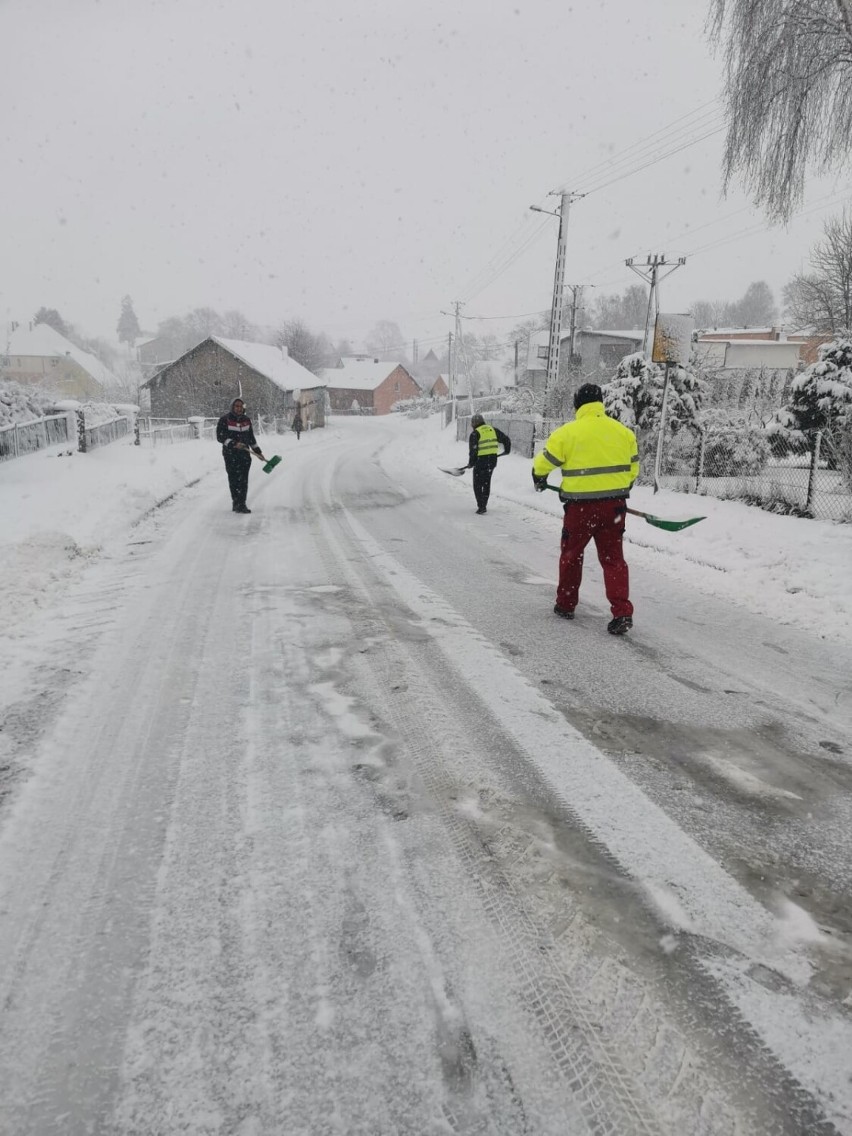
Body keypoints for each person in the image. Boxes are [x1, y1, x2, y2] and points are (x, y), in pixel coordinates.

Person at [532, 383, 639, 635]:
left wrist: (538, 476)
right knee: (613, 560)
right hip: (614, 507)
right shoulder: (623, 433)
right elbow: (633, 470)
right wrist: (615, 490)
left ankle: (566, 604)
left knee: (572, 555)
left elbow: (544, 463)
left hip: (579, 509)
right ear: (601, 402)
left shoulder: (567, 433)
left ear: (577, 404)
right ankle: (622, 611)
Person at [216, 397, 265, 514]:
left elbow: (251, 438)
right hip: (230, 455)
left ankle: (242, 504)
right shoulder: (224, 420)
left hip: (244, 456)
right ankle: (236, 502)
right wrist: (234, 444)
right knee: (233, 480)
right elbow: (220, 437)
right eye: (236, 406)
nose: (239, 408)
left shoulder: (246, 420)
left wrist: (258, 452)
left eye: (240, 406)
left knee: (243, 481)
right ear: (232, 407)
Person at [468, 413, 511, 514]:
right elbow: (506, 439)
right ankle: (484, 504)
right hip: (491, 461)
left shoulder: (475, 434)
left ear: (474, 423)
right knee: (486, 482)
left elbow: (473, 451)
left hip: (480, 462)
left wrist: (471, 463)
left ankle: (481, 506)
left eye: (472, 423)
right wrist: (507, 450)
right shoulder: (493, 429)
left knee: (477, 484)